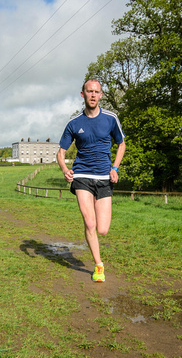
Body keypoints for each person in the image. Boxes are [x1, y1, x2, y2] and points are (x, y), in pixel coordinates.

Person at [56, 79, 126, 283]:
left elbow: (121, 144)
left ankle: (96, 242)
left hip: (104, 177)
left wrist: (115, 167)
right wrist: (65, 170)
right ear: (82, 94)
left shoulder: (111, 119)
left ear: (101, 95)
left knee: (102, 229)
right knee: (89, 222)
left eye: (96, 92)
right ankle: (98, 265)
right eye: (89, 91)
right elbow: (60, 153)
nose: (93, 95)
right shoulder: (74, 123)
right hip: (82, 176)